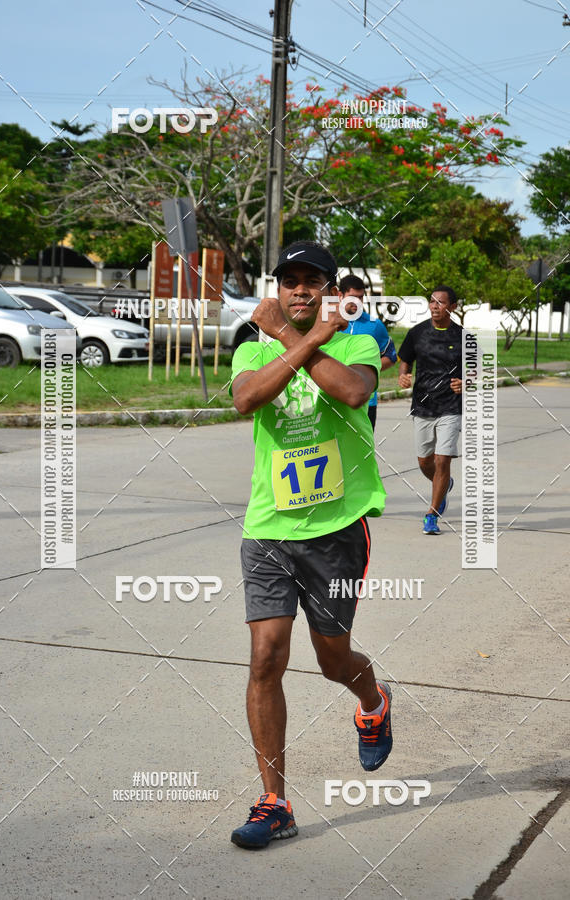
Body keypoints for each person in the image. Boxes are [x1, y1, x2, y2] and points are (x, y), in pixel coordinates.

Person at [229, 240, 392, 850]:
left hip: (336, 529)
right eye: (289, 281)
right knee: (266, 657)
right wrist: (290, 341)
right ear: (277, 288)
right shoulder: (251, 343)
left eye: (312, 281)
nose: (300, 290)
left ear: (328, 289)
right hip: (269, 527)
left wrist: (304, 340)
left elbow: (352, 393)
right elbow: (247, 398)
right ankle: (275, 802)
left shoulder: (358, 338)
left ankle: (371, 701)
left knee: (332, 661)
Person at [397, 285, 463, 535]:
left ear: (453, 307)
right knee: (425, 462)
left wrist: (465, 382)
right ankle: (444, 485)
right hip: (423, 405)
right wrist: (403, 376)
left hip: (451, 406)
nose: (435, 306)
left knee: (442, 460)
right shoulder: (417, 333)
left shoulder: (463, 336)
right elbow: (405, 360)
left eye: (441, 303)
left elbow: (478, 368)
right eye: (432, 302)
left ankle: (432, 515)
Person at [338, 274, 397, 430]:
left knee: (363, 449)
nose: (357, 302)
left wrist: (367, 369)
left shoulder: (374, 325)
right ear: (340, 295)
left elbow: (391, 357)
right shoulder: (325, 323)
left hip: (366, 401)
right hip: (331, 398)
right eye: (352, 297)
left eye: (361, 297)